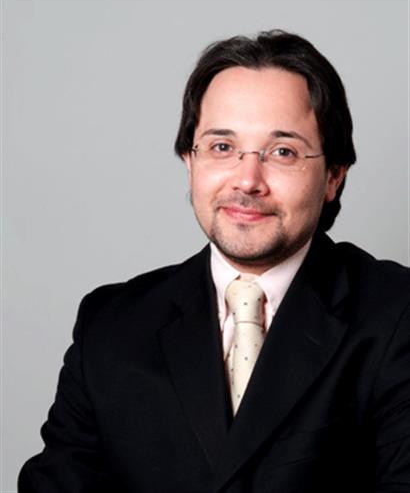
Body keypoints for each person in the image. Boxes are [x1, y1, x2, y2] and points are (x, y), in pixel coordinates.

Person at [19, 29, 410, 493]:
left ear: (333, 177)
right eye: (222, 147)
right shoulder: (109, 328)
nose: (247, 180)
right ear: (190, 161)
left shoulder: (396, 316)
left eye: (282, 152)